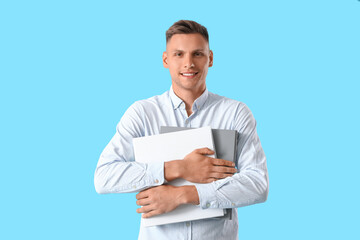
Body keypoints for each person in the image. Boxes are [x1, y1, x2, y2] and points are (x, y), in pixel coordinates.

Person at [94, 20, 269, 240]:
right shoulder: (142, 113)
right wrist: (178, 168)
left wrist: (184, 195)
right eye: (179, 54)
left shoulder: (235, 113)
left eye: (197, 54)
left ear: (210, 58)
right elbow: (104, 177)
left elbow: (257, 184)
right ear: (166, 60)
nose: (189, 63)